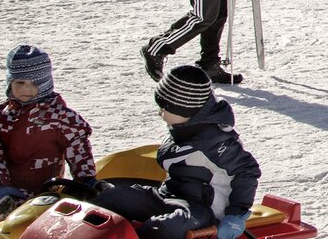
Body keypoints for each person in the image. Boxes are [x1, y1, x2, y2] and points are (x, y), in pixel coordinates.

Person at [90, 65, 261, 239]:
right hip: (167, 196)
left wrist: (236, 214)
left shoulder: (215, 141)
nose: (159, 113)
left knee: (162, 229)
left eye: (165, 108)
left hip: (202, 211)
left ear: (184, 108)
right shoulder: (182, 129)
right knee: (113, 198)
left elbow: (246, 171)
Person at [0, 46, 97, 238]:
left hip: (43, 192)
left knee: (17, 217)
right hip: (4, 192)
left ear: (45, 83)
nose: (26, 89)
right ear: (10, 82)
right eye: (20, 82)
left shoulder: (61, 118)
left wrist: (87, 182)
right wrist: (0, 189)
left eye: (34, 84)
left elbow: (79, 151)